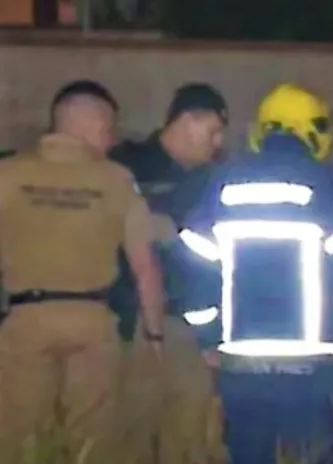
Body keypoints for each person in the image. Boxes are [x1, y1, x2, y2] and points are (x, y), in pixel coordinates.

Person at [177, 83, 333, 464]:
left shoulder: (222, 186)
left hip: (242, 367)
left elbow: (194, 271)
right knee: (317, 455)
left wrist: (207, 337)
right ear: (313, 131)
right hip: (314, 372)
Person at [0, 80, 166, 462]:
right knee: (93, 445)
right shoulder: (117, 181)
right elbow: (145, 268)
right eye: (109, 130)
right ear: (90, 127)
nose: (111, 141)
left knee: (19, 440)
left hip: (24, 322)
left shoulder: (7, 175)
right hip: (93, 325)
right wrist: (154, 335)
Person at [108, 82, 229, 464]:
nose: (218, 142)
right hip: (133, 324)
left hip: (192, 328)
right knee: (133, 433)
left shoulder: (213, 181)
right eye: (213, 130)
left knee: (190, 433)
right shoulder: (126, 167)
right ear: (187, 120)